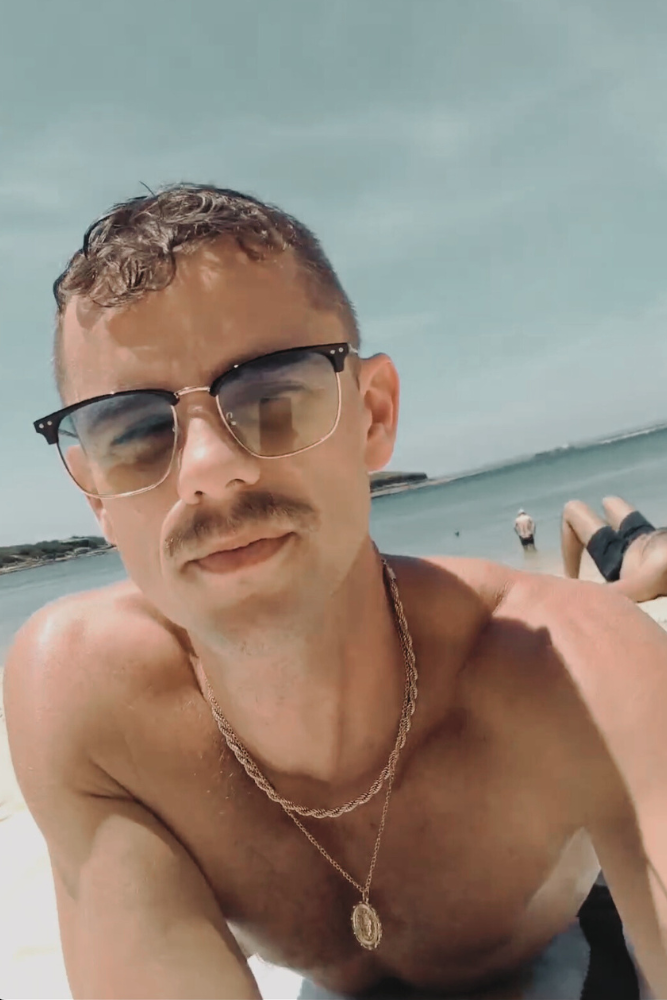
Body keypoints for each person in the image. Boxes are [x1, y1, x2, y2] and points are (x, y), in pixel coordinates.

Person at [4, 185, 667, 1000]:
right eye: (137, 433)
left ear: (372, 416)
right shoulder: (91, 707)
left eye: (270, 397)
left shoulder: (575, 670)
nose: (209, 469)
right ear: (94, 494)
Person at [562, 496, 667, 602]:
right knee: (610, 501)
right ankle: (609, 532)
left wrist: (575, 593)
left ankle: (570, 582)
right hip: (647, 535)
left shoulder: (659, 568)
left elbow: (615, 591)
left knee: (571, 508)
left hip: (618, 558)